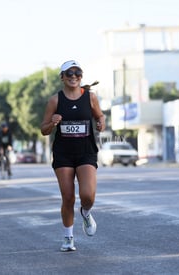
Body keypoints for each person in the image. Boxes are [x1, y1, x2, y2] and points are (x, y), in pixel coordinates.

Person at [40, 60, 105, 252]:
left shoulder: (90, 97)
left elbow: (99, 116)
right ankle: (68, 238)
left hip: (86, 151)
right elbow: (43, 130)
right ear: (62, 77)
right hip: (63, 154)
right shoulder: (55, 100)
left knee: (87, 195)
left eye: (78, 73)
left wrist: (102, 123)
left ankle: (85, 213)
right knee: (68, 197)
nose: (74, 76)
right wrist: (52, 123)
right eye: (70, 73)